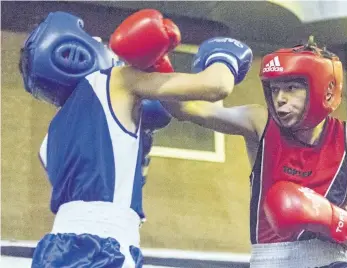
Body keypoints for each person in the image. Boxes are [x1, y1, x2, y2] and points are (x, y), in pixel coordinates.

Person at [19, 9, 253, 268]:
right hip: (105, 248)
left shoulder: (49, 140)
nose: (99, 39)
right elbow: (216, 86)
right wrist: (225, 56)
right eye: (91, 37)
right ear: (69, 52)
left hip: (54, 251)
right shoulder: (117, 81)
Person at [162, 37, 347, 267]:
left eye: (292, 88)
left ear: (324, 90)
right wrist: (156, 62)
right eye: (275, 89)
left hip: (330, 261)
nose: (280, 99)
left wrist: (324, 215)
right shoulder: (260, 122)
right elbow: (188, 109)